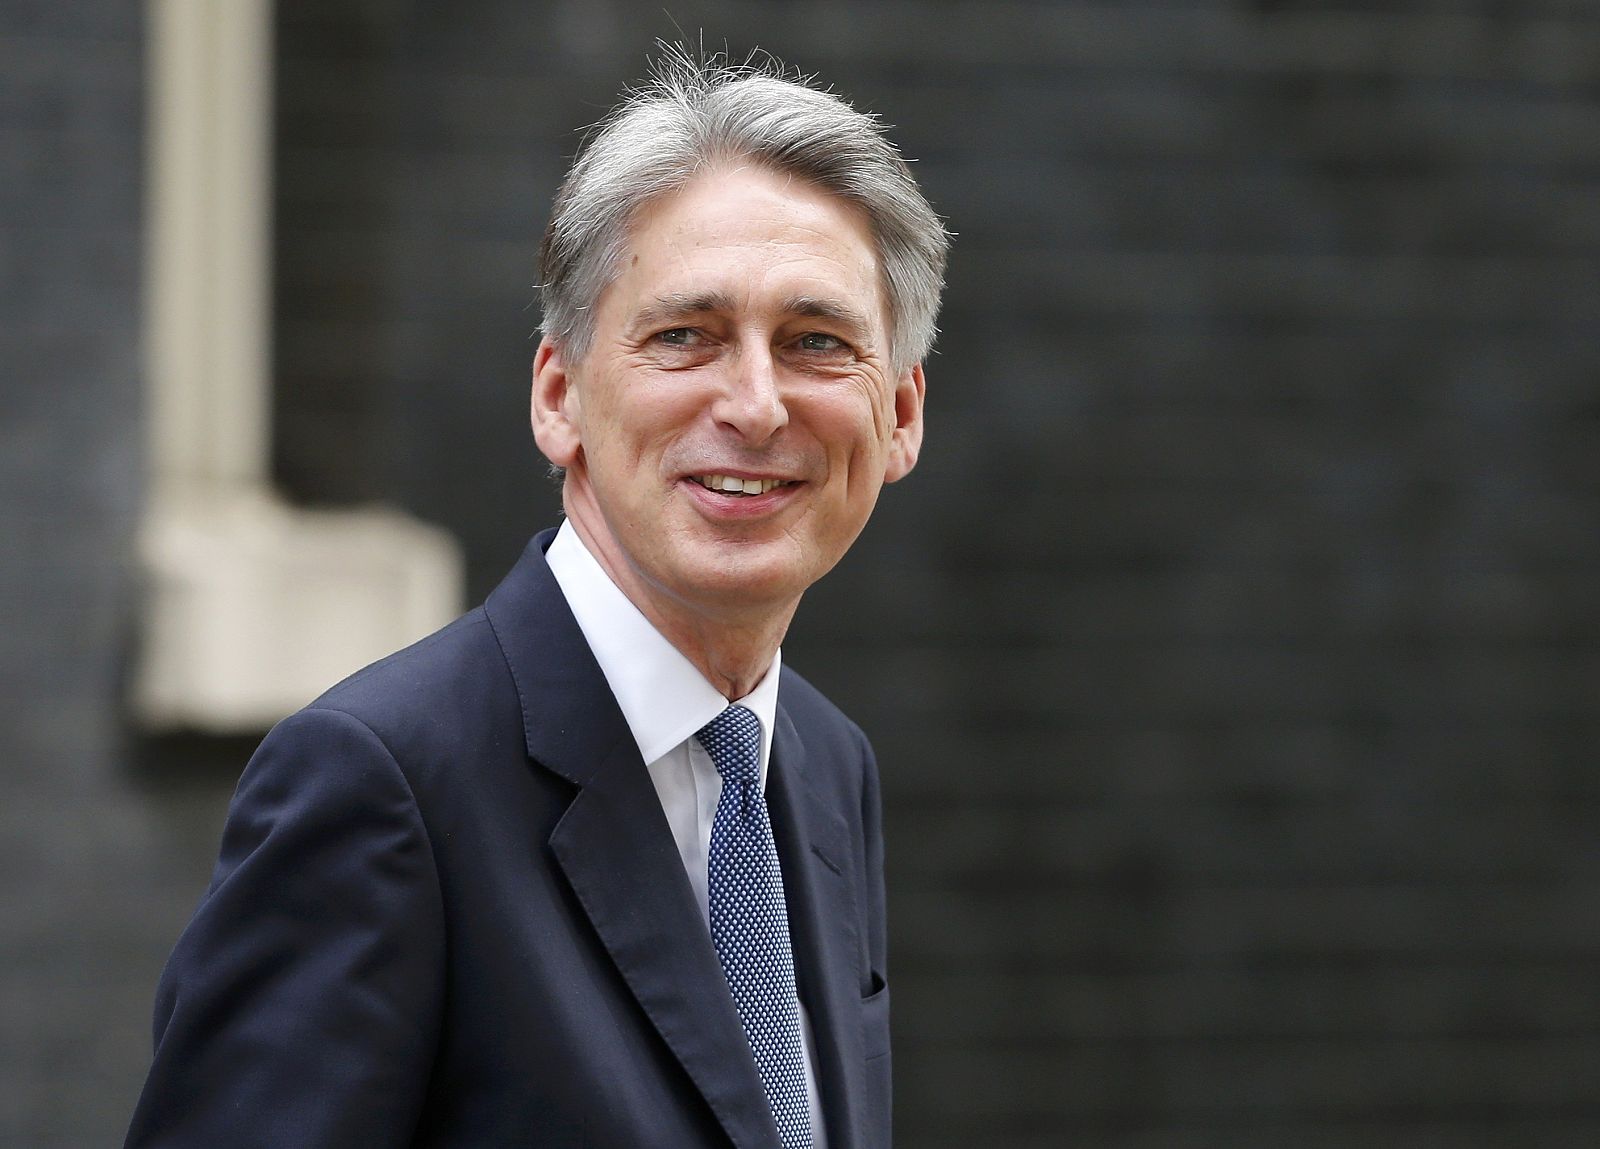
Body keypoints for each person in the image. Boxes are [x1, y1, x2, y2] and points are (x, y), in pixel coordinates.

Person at [125, 48, 948, 1149]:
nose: (755, 405)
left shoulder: (819, 764)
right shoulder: (382, 787)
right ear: (559, 396)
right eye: (683, 337)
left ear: (898, 417)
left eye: (815, 343)